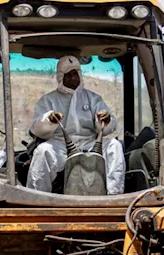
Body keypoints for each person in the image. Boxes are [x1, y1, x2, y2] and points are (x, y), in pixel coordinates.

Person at [27, 56, 125, 194]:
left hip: (90, 144)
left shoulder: (93, 98)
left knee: (114, 146)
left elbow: (109, 126)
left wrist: (105, 120)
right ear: (61, 77)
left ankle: (115, 196)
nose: (74, 77)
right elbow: (36, 129)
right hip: (60, 146)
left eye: (76, 73)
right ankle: (37, 198)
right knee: (43, 151)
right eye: (69, 74)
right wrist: (49, 120)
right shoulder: (48, 100)